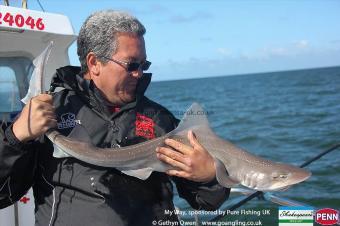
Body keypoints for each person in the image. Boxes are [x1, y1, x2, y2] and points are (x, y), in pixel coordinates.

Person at [0, 10, 229, 226]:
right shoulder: (49, 115)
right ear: (94, 63)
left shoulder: (160, 119)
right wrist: (15, 137)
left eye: (143, 64)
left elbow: (206, 202)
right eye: (131, 65)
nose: (139, 73)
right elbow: (3, 195)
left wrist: (209, 177)